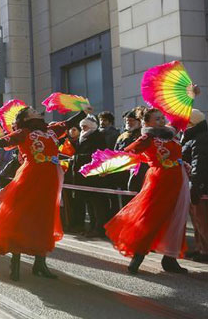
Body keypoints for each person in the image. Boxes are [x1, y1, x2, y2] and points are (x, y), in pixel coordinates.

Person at [0, 105, 91, 281]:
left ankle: (40, 264)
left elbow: (67, 123)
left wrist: (83, 113)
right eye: (32, 111)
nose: (37, 111)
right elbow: (3, 141)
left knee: (44, 218)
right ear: (26, 118)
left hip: (50, 179)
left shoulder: (51, 130)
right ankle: (16, 262)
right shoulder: (23, 133)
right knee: (21, 217)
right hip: (30, 176)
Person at [104, 108, 190, 274]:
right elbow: (126, 153)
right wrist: (109, 165)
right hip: (159, 181)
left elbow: (181, 118)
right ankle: (139, 255)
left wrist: (190, 97)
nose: (161, 121)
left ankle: (170, 259)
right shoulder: (146, 138)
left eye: (162, 118)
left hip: (179, 180)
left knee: (177, 219)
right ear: (146, 122)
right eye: (157, 119)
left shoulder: (170, 133)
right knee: (151, 218)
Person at [72, 116, 109, 237]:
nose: (82, 128)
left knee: (97, 204)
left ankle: (99, 228)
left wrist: (78, 157)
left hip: (94, 175)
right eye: (82, 126)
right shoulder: (82, 137)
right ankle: (92, 227)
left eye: (85, 126)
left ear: (92, 127)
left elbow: (98, 154)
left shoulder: (97, 136)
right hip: (84, 175)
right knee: (89, 203)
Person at [182, 109, 208, 263]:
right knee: (198, 220)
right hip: (194, 184)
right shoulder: (192, 136)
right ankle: (201, 249)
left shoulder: (200, 138)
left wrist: (195, 184)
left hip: (199, 185)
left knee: (202, 220)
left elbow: (199, 162)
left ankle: (205, 250)